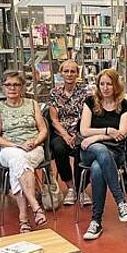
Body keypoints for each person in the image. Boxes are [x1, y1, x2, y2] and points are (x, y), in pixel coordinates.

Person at [77, 69, 127, 240]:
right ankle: (121, 202)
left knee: (97, 168)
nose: (105, 87)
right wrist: (108, 131)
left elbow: (122, 133)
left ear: (116, 85)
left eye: (109, 84)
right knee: (99, 152)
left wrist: (98, 136)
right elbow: (83, 130)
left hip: (115, 151)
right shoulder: (89, 102)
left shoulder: (124, 105)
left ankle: (96, 222)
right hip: (89, 151)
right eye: (102, 84)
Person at [0, 70, 49, 233]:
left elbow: (43, 130)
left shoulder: (32, 104)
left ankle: (24, 218)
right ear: (3, 87)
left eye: (16, 84)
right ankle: (35, 206)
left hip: (33, 148)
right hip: (9, 149)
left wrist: (35, 141)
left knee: (19, 162)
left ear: (22, 87)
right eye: (8, 84)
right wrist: (16, 145)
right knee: (18, 157)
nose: (12, 88)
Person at [48, 59, 90, 206]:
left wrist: (77, 135)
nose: (69, 74)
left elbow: (89, 115)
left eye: (73, 71)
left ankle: (82, 188)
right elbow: (53, 119)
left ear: (77, 73)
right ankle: (71, 187)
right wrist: (65, 135)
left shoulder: (86, 91)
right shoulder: (55, 92)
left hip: (81, 130)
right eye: (66, 71)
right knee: (58, 148)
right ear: (61, 73)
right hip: (61, 132)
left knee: (84, 148)